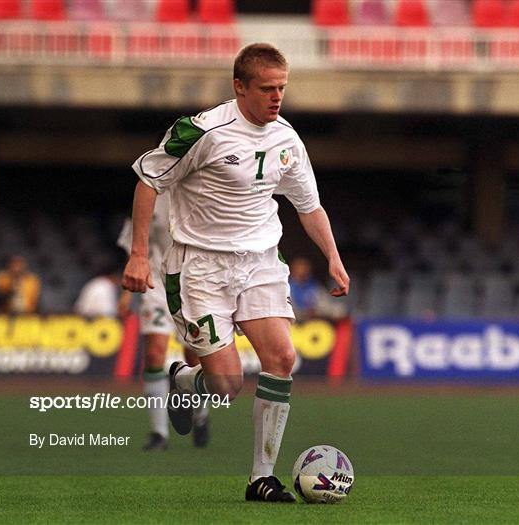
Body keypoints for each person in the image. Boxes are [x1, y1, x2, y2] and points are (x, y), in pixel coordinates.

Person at [122, 43, 349, 503]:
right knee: (226, 384)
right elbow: (149, 181)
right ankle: (184, 381)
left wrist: (333, 257)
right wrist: (139, 254)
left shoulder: (287, 138)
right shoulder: (202, 131)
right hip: (199, 266)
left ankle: (260, 478)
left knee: (282, 359)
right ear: (239, 86)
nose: (276, 96)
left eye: (282, 87)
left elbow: (309, 205)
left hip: (262, 260)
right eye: (267, 88)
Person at [117, 192, 210, 450]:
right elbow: (135, 244)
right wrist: (126, 292)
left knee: (195, 359)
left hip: (192, 285)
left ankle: (201, 416)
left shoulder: (199, 187)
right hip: (156, 283)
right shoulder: (148, 191)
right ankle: (159, 433)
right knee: (155, 354)